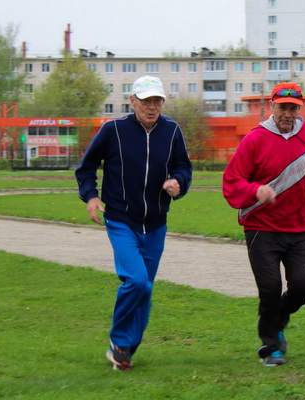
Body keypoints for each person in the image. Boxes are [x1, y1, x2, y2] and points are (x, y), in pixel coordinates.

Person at [75, 75, 193, 371]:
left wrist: (178, 182)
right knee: (137, 281)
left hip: (156, 222)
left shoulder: (172, 130)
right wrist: (91, 196)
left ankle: (126, 349)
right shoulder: (113, 130)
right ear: (133, 101)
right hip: (121, 219)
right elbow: (86, 167)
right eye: (146, 101)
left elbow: (183, 166)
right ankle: (119, 341)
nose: (152, 107)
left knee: (145, 288)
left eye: (157, 101)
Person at [222, 82, 305, 366]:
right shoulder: (254, 139)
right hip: (261, 227)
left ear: (299, 109)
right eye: (283, 107)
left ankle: (275, 319)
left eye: (293, 108)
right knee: (269, 288)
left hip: (299, 226)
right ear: (272, 107)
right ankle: (271, 347)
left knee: (303, 286)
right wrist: (256, 190)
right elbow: (232, 180)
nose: (288, 113)